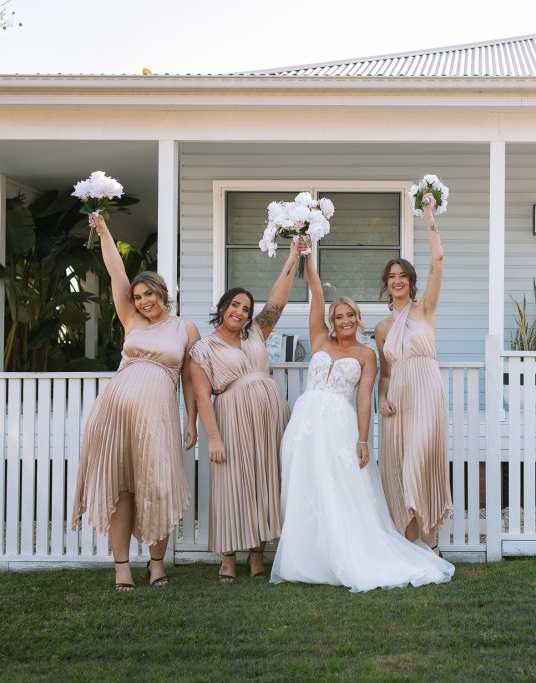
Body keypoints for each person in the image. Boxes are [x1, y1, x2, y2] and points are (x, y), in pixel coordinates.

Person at [270, 242, 453, 591]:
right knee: (303, 487)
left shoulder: (368, 353)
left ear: (358, 319)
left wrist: (362, 439)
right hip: (305, 423)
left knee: (339, 489)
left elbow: (366, 399)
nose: (344, 321)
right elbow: (314, 292)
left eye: (350, 315)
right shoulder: (320, 340)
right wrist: (304, 254)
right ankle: (305, 559)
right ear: (332, 321)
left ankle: (357, 552)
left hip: (339, 422)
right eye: (339, 316)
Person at [71, 214, 199, 591]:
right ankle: (122, 568)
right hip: (115, 412)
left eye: (149, 294)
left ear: (162, 293)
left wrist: (191, 420)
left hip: (157, 416)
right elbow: (116, 273)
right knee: (121, 487)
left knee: (157, 485)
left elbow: (190, 379)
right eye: (138, 297)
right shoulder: (130, 319)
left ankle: (156, 564)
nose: (143, 302)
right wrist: (105, 230)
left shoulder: (184, 328)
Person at [189, 239, 302, 582]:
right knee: (231, 483)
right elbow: (201, 395)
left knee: (267, 479)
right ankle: (227, 556)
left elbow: (279, 298)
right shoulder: (202, 348)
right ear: (223, 307)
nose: (240, 312)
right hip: (232, 417)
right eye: (235, 305)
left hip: (270, 415)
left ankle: (256, 554)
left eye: (246, 308)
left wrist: (294, 254)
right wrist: (213, 438)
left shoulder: (256, 333)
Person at [375, 192, 452, 553]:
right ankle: (409, 544)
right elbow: (385, 373)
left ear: (411, 280)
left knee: (421, 460)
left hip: (426, 392)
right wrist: (381, 397)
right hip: (398, 400)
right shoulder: (382, 327)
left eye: (403, 275)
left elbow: (439, 259)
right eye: (392, 276)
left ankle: (431, 542)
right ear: (386, 283)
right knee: (400, 464)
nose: (397, 280)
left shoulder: (425, 311)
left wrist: (428, 213)